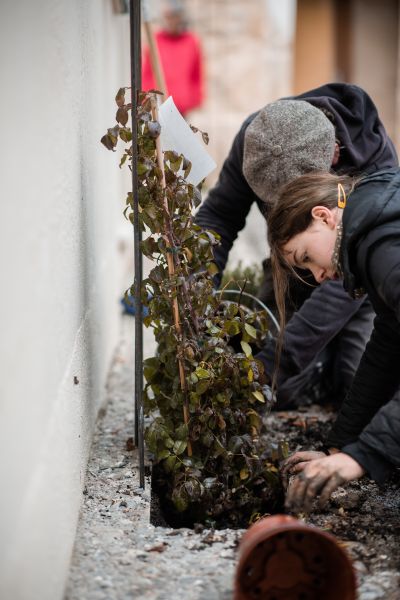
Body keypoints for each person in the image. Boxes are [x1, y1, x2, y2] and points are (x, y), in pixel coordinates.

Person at [195, 83, 398, 408]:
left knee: (358, 386)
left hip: (356, 287)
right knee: (279, 392)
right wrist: (196, 300)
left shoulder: (375, 163)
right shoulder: (257, 142)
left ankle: (332, 357)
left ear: (332, 156)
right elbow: (219, 216)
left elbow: (355, 276)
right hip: (290, 269)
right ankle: (318, 360)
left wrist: (282, 359)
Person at [267, 168, 400, 511]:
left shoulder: (383, 247)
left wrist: (366, 454)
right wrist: (340, 447)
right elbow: (387, 348)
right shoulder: (373, 230)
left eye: (306, 258)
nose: (319, 275)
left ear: (324, 217)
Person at [142, 2, 204, 117]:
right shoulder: (156, 39)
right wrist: (146, 97)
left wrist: (194, 99)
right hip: (158, 104)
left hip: (181, 106)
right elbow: (147, 72)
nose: (171, 21)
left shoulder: (191, 41)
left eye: (174, 17)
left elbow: (196, 73)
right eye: (168, 17)